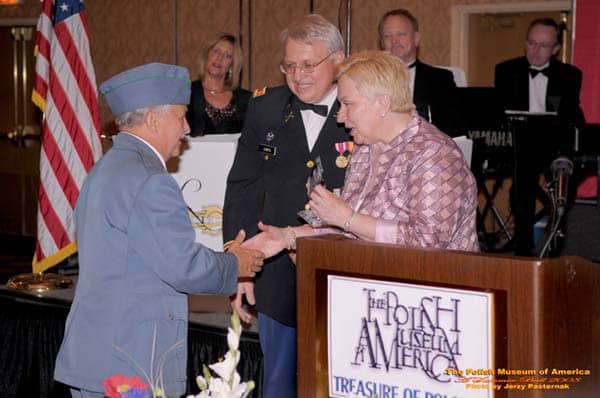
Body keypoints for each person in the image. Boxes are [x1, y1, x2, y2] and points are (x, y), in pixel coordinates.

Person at [53, 63, 264, 398]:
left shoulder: (105, 169)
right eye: (181, 116)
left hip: (96, 354)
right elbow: (183, 266)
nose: (186, 128)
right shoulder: (151, 180)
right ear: (153, 120)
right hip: (130, 358)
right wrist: (235, 263)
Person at [245, 50, 479, 259]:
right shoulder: (366, 148)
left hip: (431, 301)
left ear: (383, 103)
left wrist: (349, 218)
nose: (339, 117)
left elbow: (429, 243)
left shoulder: (434, 155)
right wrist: (288, 237)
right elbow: (347, 228)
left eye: (348, 104)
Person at [222, 14, 349, 398]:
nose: (298, 75)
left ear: (339, 60)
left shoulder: (362, 106)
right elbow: (243, 188)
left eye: (309, 64)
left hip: (341, 268)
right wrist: (240, 265)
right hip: (275, 270)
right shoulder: (266, 108)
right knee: (277, 383)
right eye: (290, 65)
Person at [494, 18, 585, 255]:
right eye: (531, 43)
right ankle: (524, 248)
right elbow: (497, 114)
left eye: (543, 46)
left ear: (555, 49)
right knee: (522, 182)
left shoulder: (570, 75)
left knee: (566, 182)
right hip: (519, 145)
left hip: (554, 145)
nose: (535, 51)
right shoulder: (506, 70)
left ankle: (555, 242)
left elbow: (571, 116)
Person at [378, 9, 458, 135]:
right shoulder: (371, 79)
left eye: (401, 34)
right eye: (387, 36)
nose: (394, 41)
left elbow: (450, 128)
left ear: (416, 38)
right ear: (382, 44)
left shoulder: (441, 79)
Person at [186, 34, 251, 135]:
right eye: (216, 51)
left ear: (231, 65)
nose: (219, 58)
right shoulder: (186, 93)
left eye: (227, 56)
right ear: (207, 55)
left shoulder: (246, 100)